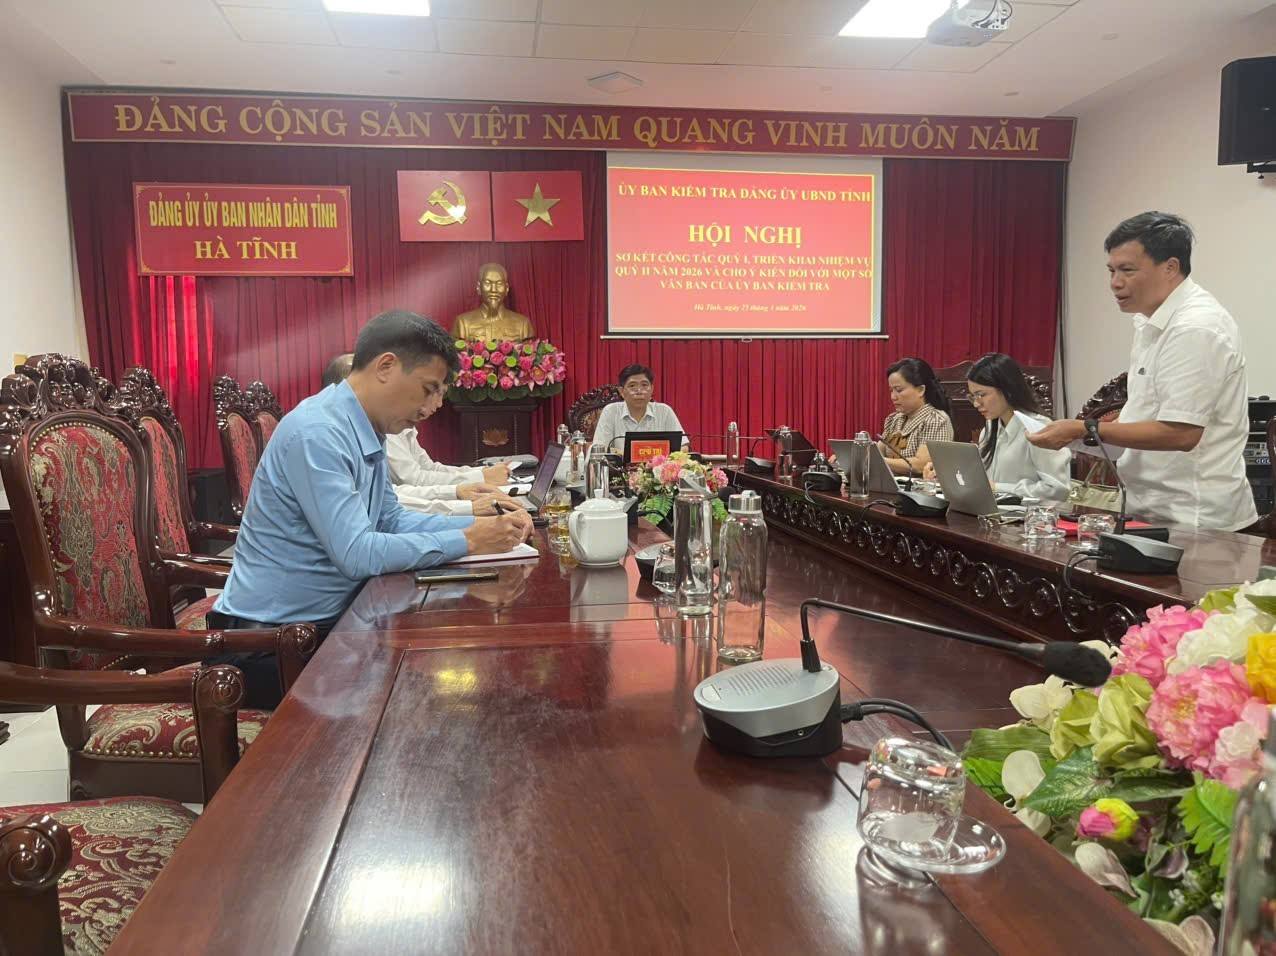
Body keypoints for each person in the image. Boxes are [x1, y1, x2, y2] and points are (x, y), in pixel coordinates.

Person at [207, 312, 532, 708]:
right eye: (429, 389)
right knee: (431, 699)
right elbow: (357, 554)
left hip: (334, 624)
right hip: (269, 644)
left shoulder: (365, 426)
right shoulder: (319, 433)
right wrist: (468, 540)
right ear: (386, 366)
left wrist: (482, 521)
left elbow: (390, 519)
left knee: (453, 674)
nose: (434, 406)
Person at [1027, 212, 1256, 532]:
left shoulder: (1195, 328)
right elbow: (1141, 417)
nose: (1115, 283)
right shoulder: (1150, 323)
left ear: (1170, 267)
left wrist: (1084, 428)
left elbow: (1182, 433)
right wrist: (1078, 437)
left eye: (1127, 270)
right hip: (1147, 510)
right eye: (1111, 270)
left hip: (1197, 519)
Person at [323, 351, 521, 516]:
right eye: (431, 391)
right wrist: (465, 503)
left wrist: (468, 488)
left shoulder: (379, 425)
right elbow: (406, 486)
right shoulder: (324, 436)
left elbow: (390, 501)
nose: (438, 403)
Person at [923, 353, 1070, 501]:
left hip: (1029, 514)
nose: (976, 404)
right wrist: (946, 474)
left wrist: (998, 488)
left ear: (1007, 390)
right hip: (993, 511)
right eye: (973, 397)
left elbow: (1057, 490)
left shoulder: (1040, 428)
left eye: (981, 395)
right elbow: (982, 479)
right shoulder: (990, 429)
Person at [589, 363, 688, 455]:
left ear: (652, 389)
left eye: (644, 385)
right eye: (632, 386)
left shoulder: (664, 411)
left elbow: (684, 447)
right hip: (620, 467)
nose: (639, 391)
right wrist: (636, 455)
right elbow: (599, 448)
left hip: (659, 467)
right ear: (622, 391)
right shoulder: (611, 411)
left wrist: (657, 460)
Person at [878, 357, 954, 476]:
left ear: (920, 390)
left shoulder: (936, 420)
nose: (893, 397)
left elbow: (921, 465)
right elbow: (877, 452)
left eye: (899, 390)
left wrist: (878, 461)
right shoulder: (893, 419)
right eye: (891, 390)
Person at [451, 263, 534, 342]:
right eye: (487, 283)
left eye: (499, 284)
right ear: (479, 287)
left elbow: (530, 350)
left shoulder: (523, 324)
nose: (493, 290)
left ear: (506, 288)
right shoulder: (463, 322)